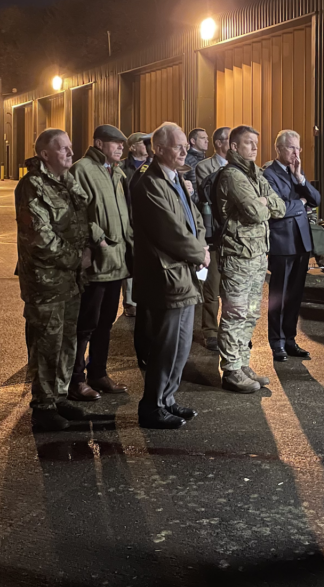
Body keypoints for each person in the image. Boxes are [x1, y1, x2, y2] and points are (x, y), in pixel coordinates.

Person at [131, 123, 210, 429]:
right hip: (167, 275)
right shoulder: (149, 182)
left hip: (184, 272)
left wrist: (201, 245)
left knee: (181, 345)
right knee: (165, 346)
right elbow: (170, 231)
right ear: (159, 149)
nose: (184, 149)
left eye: (184, 145)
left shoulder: (176, 178)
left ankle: (168, 400)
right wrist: (198, 252)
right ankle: (152, 405)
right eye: (177, 146)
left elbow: (194, 220)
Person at [16, 128, 93, 432]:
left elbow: (81, 220)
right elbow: (40, 236)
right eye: (63, 149)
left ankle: (59, 396)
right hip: (45, 281)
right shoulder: (32, 186)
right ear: (45, 154)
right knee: (46, 343)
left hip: (71, 279)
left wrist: (86, 251)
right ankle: (43, 406)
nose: (70, 154)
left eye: (70, 148)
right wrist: (78, 257)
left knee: (66, 341)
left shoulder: (67, 182)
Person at [215, 125, 286, 393]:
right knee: (235, 313)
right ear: (234, 147)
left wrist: (264, 201)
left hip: (256, 256)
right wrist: (264, 202)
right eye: (248, 143)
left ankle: (242, 362)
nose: (255, 148)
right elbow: (256, 212)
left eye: (256, 143)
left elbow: (280, 206)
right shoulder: (233, 175)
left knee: (251, 313)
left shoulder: (254, 174)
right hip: (237, 255)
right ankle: (231, 370)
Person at [68, 124, 133, 401]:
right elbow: (77, 211)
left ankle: (99, 373)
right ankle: (76, 379)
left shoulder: (116, 172)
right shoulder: (82, 169)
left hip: (117, 262)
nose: (121, 147)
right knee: (86, 324)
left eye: (122, 144)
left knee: (106, 321)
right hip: (97, 260)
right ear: (98, 143)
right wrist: (99, 239)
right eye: (115, 143)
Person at [263, 129, 321, 361]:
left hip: (301, 243)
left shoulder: (296, 171)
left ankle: (289, 339)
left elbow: (316, 200)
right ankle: (276, 342)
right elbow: (278, 211)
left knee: (295, 296)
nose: (296, 153)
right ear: (278, 149)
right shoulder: (269, 174)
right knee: (279, 295)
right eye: (291, 148)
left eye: (298, 148)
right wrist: (301, 202)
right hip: (281, 243)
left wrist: (301, 180)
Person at [193, 126, 230, 351]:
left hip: (233, 237)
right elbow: (207, 195)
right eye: (228, 140)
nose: (232, 144)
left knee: (232, 288)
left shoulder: (241, 167)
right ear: (218, 143)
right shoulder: (203, 167)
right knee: (212, 287)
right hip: (214, 233)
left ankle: (230, 330)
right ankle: (209, 331)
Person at [121, 132, 150, 317]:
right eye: (142, 142)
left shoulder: (153, 164)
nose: (147, 145)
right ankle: (130, 302)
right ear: (132, 147)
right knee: (130, 259)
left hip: (147, 221)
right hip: (129, 220)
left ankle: (146, 297)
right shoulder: (123, 167)